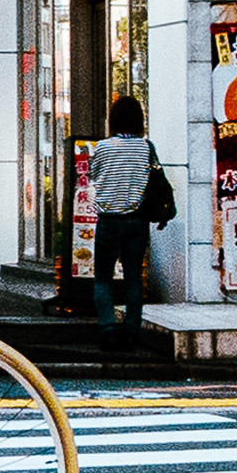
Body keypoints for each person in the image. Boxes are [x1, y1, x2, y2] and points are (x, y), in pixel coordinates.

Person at [90, 96, 152, 350]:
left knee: (103, 277)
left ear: (113, 119)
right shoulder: (146, 147)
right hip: (137, 219)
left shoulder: (103, 147)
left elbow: (93, 175)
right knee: (133, 277)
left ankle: (107, 328)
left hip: (109, 220)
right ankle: (131, 330)